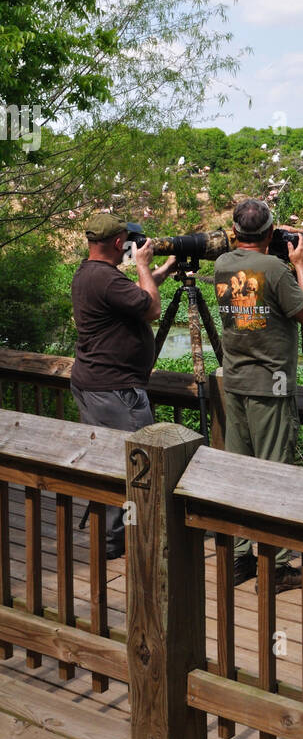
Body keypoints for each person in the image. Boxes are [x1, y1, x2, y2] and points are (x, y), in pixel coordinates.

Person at [214, 199, 303, 591]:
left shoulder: (223, 265)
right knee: (275, 474)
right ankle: (274, 567)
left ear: (235, 231)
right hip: (270, 388)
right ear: (272, 233)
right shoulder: (276, 269)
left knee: (241, 474)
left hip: (236, 381)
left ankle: (241, 556)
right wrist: (301, 266)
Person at [70, 211, 176, 558]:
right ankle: (126, 540)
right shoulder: (107, 279)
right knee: (137, 466)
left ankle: (111, 536)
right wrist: (144, 266)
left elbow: (133, 297)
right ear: (119, 243)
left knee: (108, 462)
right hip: (116, 391)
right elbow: (150, 310)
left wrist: (159, 272)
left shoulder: (89, 274)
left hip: (95, 384)